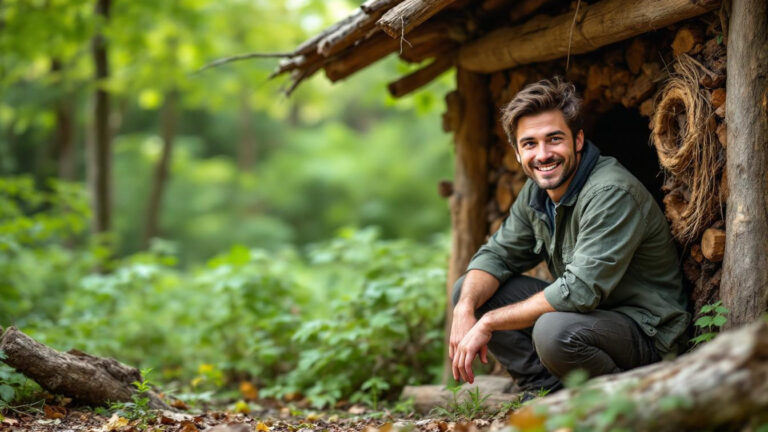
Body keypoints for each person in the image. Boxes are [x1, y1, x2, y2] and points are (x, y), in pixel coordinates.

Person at [449, 77, 690, 394]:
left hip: (648, 332)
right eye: (530, 144)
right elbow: (496, 256)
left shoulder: (610, 192)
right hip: (590, 321)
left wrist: (490, 322)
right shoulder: (536, 193)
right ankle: (547, 393)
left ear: (578, 140)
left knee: (554, 331)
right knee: (468, 291)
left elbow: (579, 292)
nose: (543, 154)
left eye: (554, 139)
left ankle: (626, 402)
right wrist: (465, 308)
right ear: (517, 153)